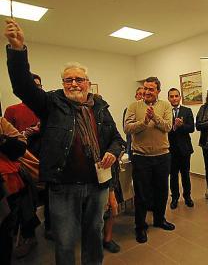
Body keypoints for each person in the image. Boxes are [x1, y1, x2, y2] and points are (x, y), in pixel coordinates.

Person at [4, 19, 124, 265]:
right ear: (62, 84)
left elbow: (117, 139)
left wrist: (112, 151)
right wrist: (17, 50)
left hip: (97, 184)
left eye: (79, 79)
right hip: (63, 185)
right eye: (68, 80)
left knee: (93, 235)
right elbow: (23, 87)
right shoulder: (52, 103)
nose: (73, 84)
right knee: (66, 240)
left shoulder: (100, 107)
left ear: (87, 83)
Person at [124, 76, 175, 244]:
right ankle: (140, 227)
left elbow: (168, 126)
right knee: (142, 195)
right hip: (141, 158)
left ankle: (159, 220)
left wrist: (155, 117)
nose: (146, 92)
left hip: (162, 156)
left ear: (158, 91)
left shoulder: (166, 105)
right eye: (145, 88)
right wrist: (144, 121)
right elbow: (127, 128)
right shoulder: (133, 106)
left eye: (151, 89)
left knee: (161, 191)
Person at [3, 73, 44, 257]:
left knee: (50, 194)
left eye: (38, 85)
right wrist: (28, 132)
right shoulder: (12, 110)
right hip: (24, 160)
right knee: (27, 201)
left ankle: (49, 228)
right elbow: (16, 138)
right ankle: (28, 235)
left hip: (45, 157)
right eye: (31, 85)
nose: (35, 88)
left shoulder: (45, 109)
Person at [0, 117, 27, 265]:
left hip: (6, 183)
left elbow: (21, 146)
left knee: (5, 230)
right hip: (7, 179)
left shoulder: (0, 122)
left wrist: (3, 140)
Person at [167, 88, 195, 209]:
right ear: (168, 98)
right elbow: (164, 130)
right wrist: (174, 127)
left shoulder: (187, 110)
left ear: (180, 97)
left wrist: (181, 125)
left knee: (185, 174)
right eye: (171, 96)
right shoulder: (165, 112)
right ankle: (174, 198)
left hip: (184, 149)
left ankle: (187, 197)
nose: (174, 98)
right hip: (170, 149)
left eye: (176, 96)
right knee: (173, 176)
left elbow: (191, 129)